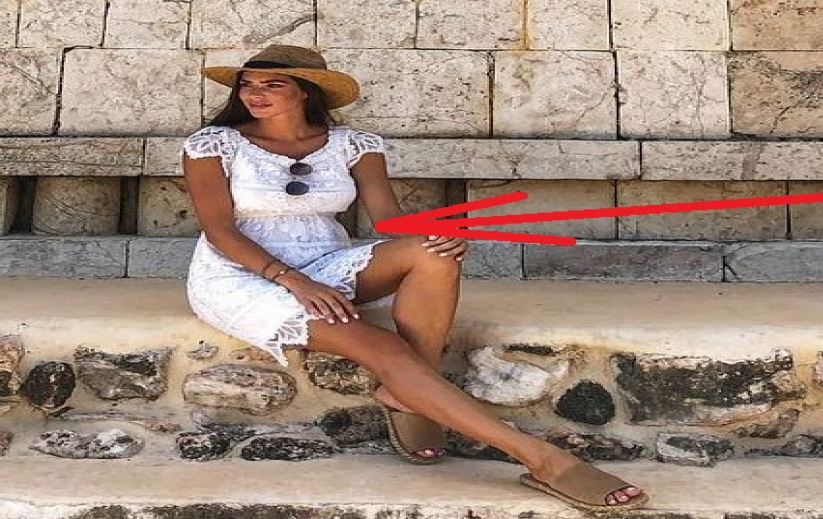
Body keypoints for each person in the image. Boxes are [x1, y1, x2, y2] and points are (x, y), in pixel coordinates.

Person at [181, 44, 648, 512]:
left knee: (435, 255)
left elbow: (389, 220)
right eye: (247, 84)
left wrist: (440, 233)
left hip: (325, 261)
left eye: (272, 84)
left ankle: (406, 393)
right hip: (244, 275)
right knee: (384, 348)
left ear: (306, 91)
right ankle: (545, 460)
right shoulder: (213, 145)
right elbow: (220, 230)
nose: (255, 94)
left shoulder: (354, 145)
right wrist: (295, 282)